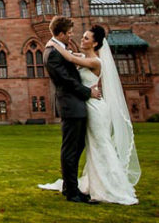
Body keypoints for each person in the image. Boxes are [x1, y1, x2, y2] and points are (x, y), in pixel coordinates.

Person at [39, 23, 140, 205]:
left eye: (85, 38)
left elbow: (70, 58)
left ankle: (102, 186)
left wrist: (54, 43)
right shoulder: (74, 55)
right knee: (84, 147)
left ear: (95, 44)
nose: (77, 38)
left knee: (96, 145)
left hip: (92, 108)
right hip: (81, 105)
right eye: (71, 33)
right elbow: (69, 68)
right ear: (60, 33)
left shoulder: (93, 60)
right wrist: (54, 44)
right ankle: (77, 188)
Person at [39, 16, 101, 204]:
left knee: (76, 147)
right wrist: (87, 92)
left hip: (75, 105)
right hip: (71, 105)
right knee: (71, 150)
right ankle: (72, 192)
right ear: (60, 33)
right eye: (69, 33)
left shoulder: (57, 50)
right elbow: (66, 80)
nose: (71, 36)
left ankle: (70, 187)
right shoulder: (52, 53)